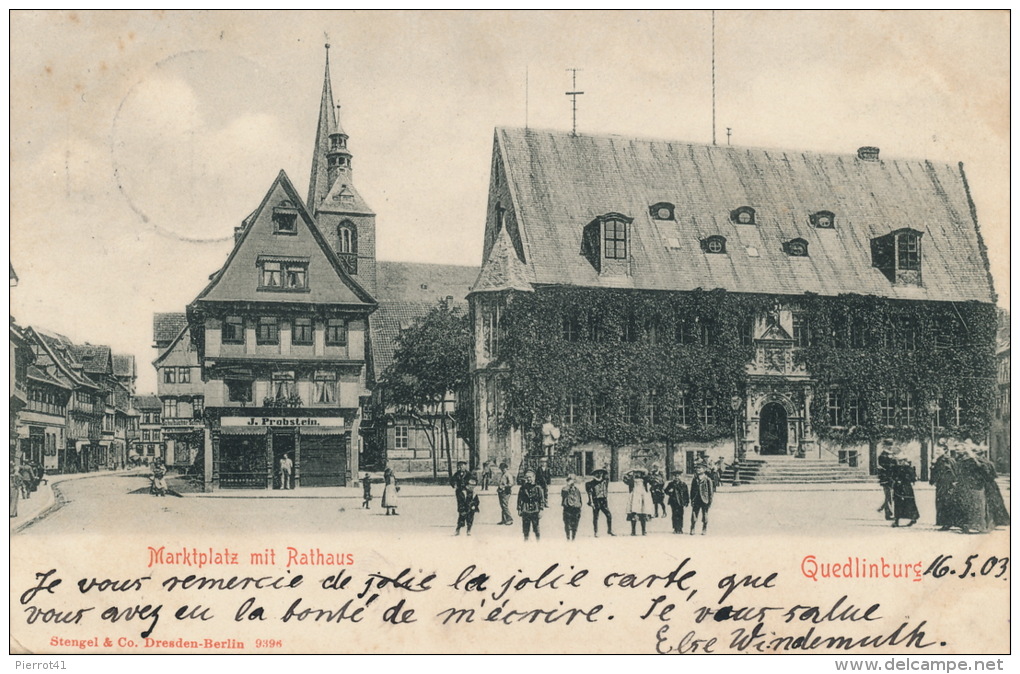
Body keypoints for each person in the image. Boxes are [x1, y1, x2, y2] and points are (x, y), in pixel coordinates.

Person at [954, 445, 987, 534]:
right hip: (963, 485)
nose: (957, 452)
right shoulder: (961, 460)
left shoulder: (975, 460)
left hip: (974, 486)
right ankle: (965, 526)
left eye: (959, 450)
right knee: (964, 505)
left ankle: (978, 527)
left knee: (975, 506)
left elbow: (982, 469)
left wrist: (973, 459)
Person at [975, 446, 1010, 529]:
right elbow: (994, 475)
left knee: (987, 503)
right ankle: (995, 522)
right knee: (995, 503)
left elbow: (987, 474)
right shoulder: (989, 462)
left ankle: (990, 523)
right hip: (992, 485)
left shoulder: (980, 463)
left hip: (986, 485)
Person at [929, 442, 959, 531]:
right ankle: (943, 522)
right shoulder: (939, 459)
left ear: (945, 450)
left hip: (946, 484)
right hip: (941, 484)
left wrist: (952, 483)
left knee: (945, 503)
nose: (937, 451)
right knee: (941, 502)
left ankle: (947, 523)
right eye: (936, 450)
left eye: (939, 449)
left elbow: (950, 472)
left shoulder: (946, 460)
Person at [890, 457, 919, 527]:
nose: (900, 462)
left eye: (901, 461)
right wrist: (896, 480)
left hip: (906, 488)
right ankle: (896, 521)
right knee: (897, 504)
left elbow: (913, 478)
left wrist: (904, 480)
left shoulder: (909, 468)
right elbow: (893, 476)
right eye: (899, 461)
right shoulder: (897, 468)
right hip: (898, 488)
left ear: (905, 461)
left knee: (909, 504)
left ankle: (913, 518)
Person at [624, 468, 653, 535]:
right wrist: (631, 470)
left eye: (639, 473)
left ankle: (644, 531)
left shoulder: (645, 479)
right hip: (634, 497)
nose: (637, 474)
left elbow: (649, 475)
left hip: (643, 497)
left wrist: (642, 470)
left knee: (643, 513)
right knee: (634, 513)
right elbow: (625, 476)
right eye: (636, 473)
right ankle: (633, 531)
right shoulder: (631, 480)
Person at [585, 468, 614, 537]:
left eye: (601, 473)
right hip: (596, 501)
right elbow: (589, 494)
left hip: (603, 501)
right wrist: (591, 502)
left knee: (609, 515)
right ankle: (596, 532)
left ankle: (609, 530)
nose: (599, 475)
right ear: (595, 475)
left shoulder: (605, 481)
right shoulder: (590, 484)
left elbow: (607, 476)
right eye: (597, 473)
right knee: (595, 517)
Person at [517, 470, 544, 541]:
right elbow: (519, 499)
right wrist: (519, 509)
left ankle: (538, 541)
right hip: (525, 509)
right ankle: (526, 541)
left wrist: (541, 510)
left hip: (535, 509)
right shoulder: (523, 488)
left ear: (534, 477)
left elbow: (541, 500)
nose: (529, 479)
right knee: (526, 528)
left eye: (530, 477)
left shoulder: (538, 488)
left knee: (536, 527)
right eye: (527, 477)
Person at [689, 463, 714, 535]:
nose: (698, 469)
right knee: (694, 514)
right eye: (697, 468)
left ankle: (704, 528)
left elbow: (711, 492)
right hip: (696, 499)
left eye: (700, 468)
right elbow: (692, 490)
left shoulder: (708, 480)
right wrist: (692, 499)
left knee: (705, 515)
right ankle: (692, 527)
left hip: (705, 500)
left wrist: (710, 502)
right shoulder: (695, 479)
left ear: (704, 470)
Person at [876, 440, 895, 520]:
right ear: (885, 446)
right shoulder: (883, 456)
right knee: (889, 496)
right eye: (888, 445)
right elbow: (885, 467)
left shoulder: (891, 455)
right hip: (886, 479)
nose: (890, 447)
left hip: (892, 478)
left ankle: (881, 508)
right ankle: (889, 515)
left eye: (891, 445)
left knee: (891, 496)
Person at [561, 474, 583, 540]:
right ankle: (568, 538)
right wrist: (568, 485)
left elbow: (580, 499)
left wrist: (579, 507)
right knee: (567, 525)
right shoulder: (565, 489)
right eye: (570, 480)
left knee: (575, 525)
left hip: (576, 509)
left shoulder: (577, 490)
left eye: (573, 481)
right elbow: (564, 493)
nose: (572, 482)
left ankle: (573, 538)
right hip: (568, 509)